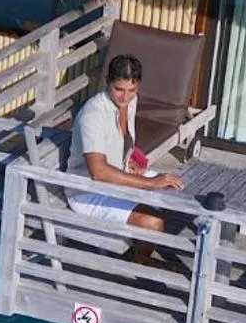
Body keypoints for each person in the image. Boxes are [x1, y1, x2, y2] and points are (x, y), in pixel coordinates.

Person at [67, 55, 183, 258]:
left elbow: (121, 140)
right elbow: (99, 172)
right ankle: (141, 260)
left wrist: (129, 158)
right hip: (87, 191)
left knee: (176, 187)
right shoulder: (93, 114)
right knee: (153, 222)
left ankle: (138, 243)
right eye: (119, 89)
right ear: (107, 82)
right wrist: (149, 182)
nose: (125, 97)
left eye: (132, 90)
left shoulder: (130, 101)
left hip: (114, 176)